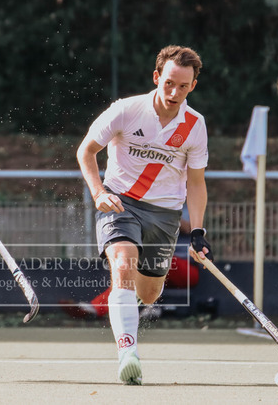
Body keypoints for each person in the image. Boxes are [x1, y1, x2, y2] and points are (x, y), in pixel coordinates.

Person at [76, 45, 213, 385]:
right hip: (120, 202)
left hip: (165, 214)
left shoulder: (195, 125)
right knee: (123, 264)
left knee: (150, 293)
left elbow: (196, 183)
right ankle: (127, 352)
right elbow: (86, 151)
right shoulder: (126, 110)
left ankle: (124, 310)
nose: (174, 92)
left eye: (183, 86)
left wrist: (197, 231)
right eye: (169, 83)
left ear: (193, 86)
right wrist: (99, 192)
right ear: (156, 77)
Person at [60, 208, 197, 320]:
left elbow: (191, 228)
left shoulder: (184, 202)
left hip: (186, 267)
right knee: (128, 269)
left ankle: (98, 308)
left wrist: (159, 216)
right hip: (158, 263)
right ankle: (111, 308)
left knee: (151, 260)